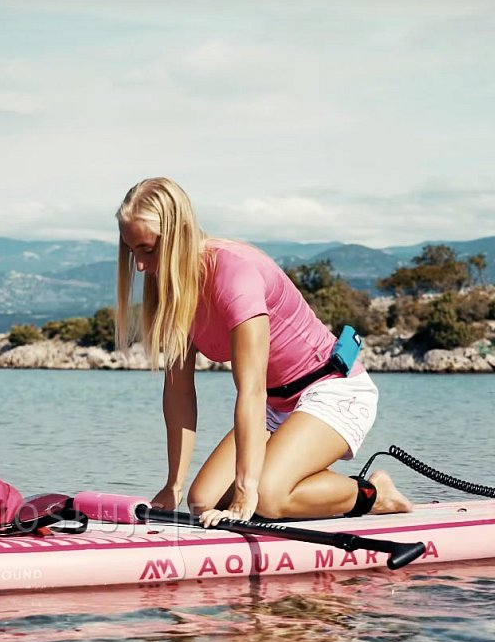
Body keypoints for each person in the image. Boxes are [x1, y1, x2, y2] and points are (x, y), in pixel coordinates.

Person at [113, 177, 412, 527]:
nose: (140, 266)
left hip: (331, 389)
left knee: (266, 495)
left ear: (179, 233)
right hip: (276, 405)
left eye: (148, 250)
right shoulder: (174, 291)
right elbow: (179, 392)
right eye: (132, 250)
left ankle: (376, 494)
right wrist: (173, 485)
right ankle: (294, 473)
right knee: (202, 500)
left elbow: (250, 390)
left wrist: (246, 489)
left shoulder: (233, 275)